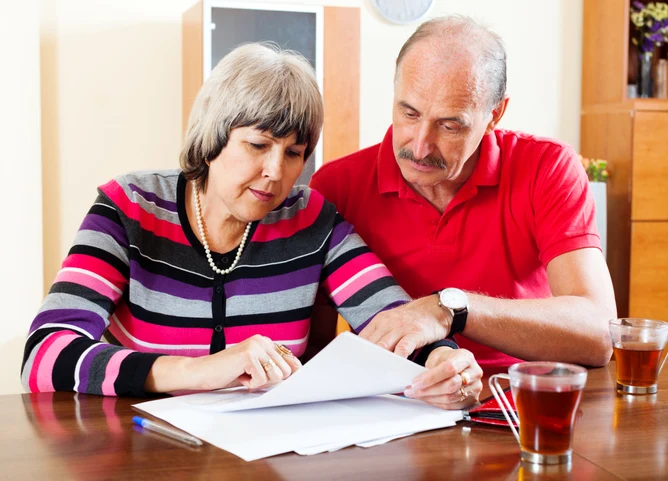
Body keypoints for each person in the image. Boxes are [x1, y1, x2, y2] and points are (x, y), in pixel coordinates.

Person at [21, 42, 482, 409]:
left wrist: (443, 362)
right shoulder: (129, 209)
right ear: (213, 135)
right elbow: (45, 354)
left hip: (265, 454)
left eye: (294, 153)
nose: (276, 172)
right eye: (258, 144)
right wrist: (199, 371)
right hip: (141, 451)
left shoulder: (311, 219)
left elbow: (391, 320)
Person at [310, 16, 617, 369]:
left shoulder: (547, 167)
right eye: (409, 113)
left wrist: (450, 309)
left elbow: (599, 333)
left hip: (518, 398)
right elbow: (313, 353)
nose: (421, 147)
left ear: (494, 114)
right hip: (396, 401)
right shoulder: (336, 185)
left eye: (450, 125)